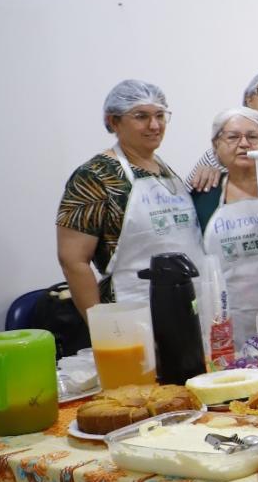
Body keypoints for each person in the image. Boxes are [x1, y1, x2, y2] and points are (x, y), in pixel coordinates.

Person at [57, 80, 206, 315]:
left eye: (160, 115)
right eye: (141, 116)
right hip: (131, 309)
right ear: (113, 121)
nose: (154, 125)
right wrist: (103, 328)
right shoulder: (95, 176)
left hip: (188, 304)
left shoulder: (164, 171)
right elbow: (72, 260)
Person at [192, 108, 258, 349]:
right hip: (226, 320)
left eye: (253, 136)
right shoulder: (203, 197)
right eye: (232, 137)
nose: (244, 144)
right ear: (216, 146)